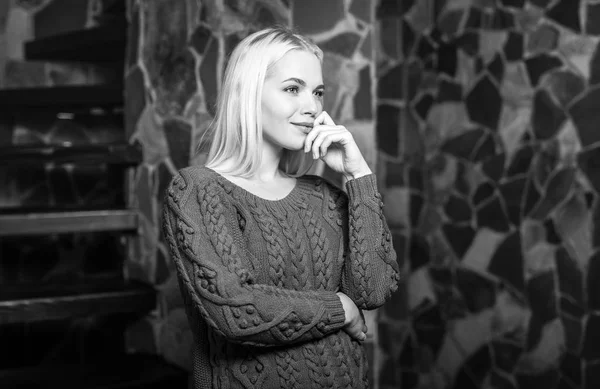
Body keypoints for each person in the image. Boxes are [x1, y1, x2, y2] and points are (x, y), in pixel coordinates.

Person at [162, 26, 400, 389]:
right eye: (293, 89)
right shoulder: (199, 189)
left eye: (317, 92)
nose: (312, 107)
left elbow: (374, 290)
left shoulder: (324, 195)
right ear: (249, 94)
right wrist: (339, 308)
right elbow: (236, 310)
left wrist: (359, 175)